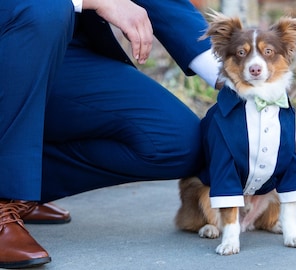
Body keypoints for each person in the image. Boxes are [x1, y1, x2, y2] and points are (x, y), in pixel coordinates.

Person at [0, 0, 221, 268]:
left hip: (62, 45)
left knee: (175, 141)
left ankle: (21, 188)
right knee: (48, 9)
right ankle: (7, 191)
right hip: (13, 32)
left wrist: (237, 79)